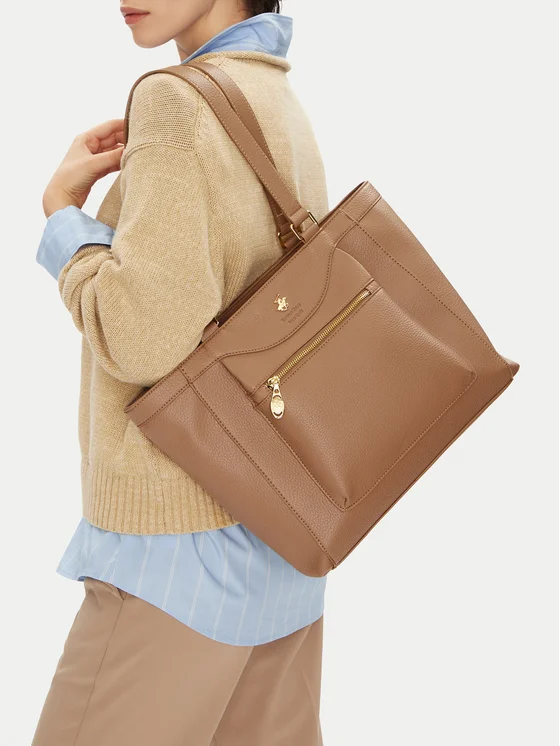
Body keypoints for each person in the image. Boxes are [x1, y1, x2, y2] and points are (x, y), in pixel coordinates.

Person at [31, 1, 330, 745]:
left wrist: (65, 222)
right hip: (283, 541)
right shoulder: (271, 90)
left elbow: (141, 338)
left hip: (177, 552)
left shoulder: (176, 101)